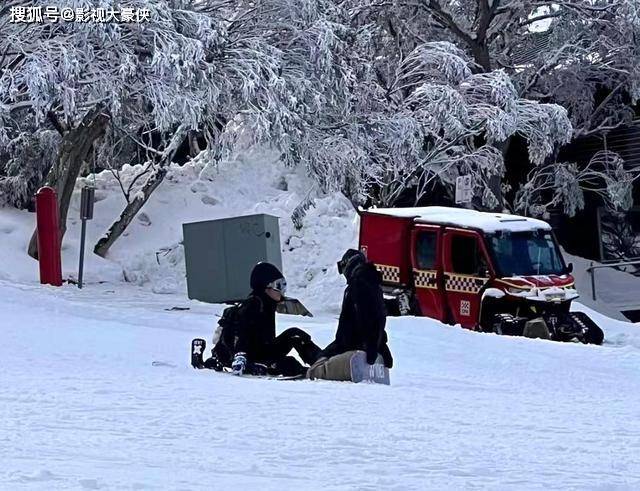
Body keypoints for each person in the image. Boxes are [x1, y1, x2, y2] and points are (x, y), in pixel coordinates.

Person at [203, 262, 321, 377]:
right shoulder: (254, 305)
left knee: (295, 334)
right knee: (287, 364)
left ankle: (321, 361)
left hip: (262, 350)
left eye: (283, 285)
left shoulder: (268, 303)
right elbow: (242, 332)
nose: (282, 290)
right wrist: (241, 357)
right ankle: (317, 370)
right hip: (249, 355)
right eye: (278, 285)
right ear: (265, 287)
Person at [308, 249, 393, 379]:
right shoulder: (373, 283)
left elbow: (367, 317)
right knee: (321, 355)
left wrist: (371, 346)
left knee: (316, 368)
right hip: (355, 342)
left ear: (349, 264)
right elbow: (377, 317)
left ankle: (312, 373)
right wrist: (380, 343)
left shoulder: (359, 284)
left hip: (352, 344)